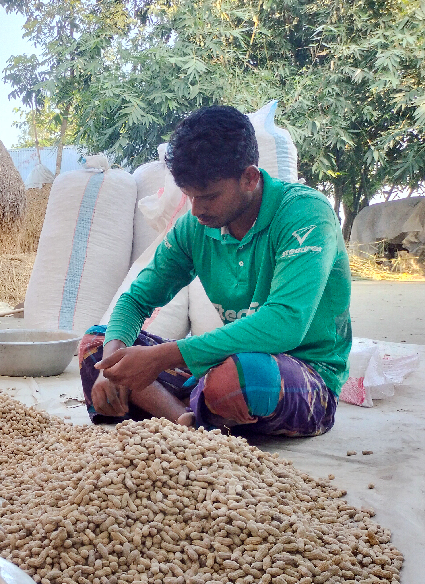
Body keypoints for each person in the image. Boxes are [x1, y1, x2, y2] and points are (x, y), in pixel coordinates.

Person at [82, 106, 351, 437]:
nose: (196, 209)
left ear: (250, 177)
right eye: (190, 196)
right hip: (222, 362)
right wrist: (112, 365)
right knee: (97, 345)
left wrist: (161, 357)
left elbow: (285, 324)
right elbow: (136, 300)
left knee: (238, 380)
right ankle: (186, 420)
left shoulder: (304, 214)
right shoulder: (194, 227)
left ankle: (180, 403)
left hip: (303, 372)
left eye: (208, 196)